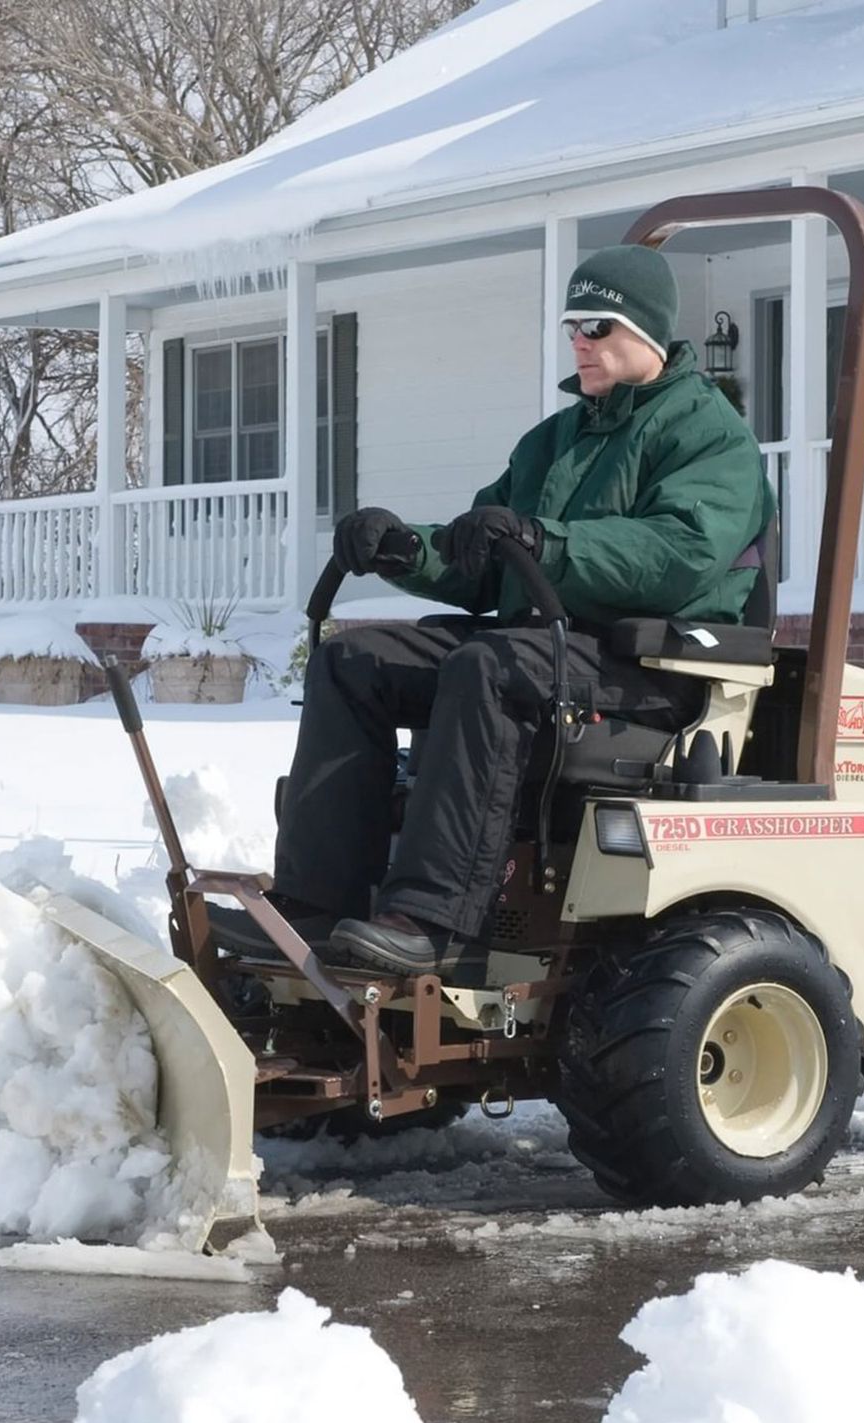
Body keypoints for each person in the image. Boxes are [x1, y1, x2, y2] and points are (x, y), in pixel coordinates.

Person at [262, 243, 773, 975]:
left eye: (597, 326)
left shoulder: (709, 436)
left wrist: (547, 539)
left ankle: (432, 920)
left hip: (654, 667)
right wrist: (407, 550)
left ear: (648, 332)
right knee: (354, 659)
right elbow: (489, 554)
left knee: (488, 667)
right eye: (573, 326)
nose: (580, 341)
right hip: (551, 650)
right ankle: (313, 903)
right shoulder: (554, 442)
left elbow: (677, 555)